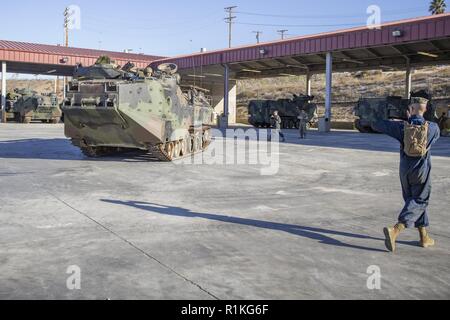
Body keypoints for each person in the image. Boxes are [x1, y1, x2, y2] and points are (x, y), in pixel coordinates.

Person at [371, 97, 440, 252]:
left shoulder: (402, 127)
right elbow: (435, 138)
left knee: (413, 201)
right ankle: (395, 229)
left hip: (405, 171)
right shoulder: (434, 128)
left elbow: (376, 124)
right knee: (420, 201)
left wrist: (397, 121)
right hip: (422, 170)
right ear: (425, 110)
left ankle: (424, 237)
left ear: (410, 109)